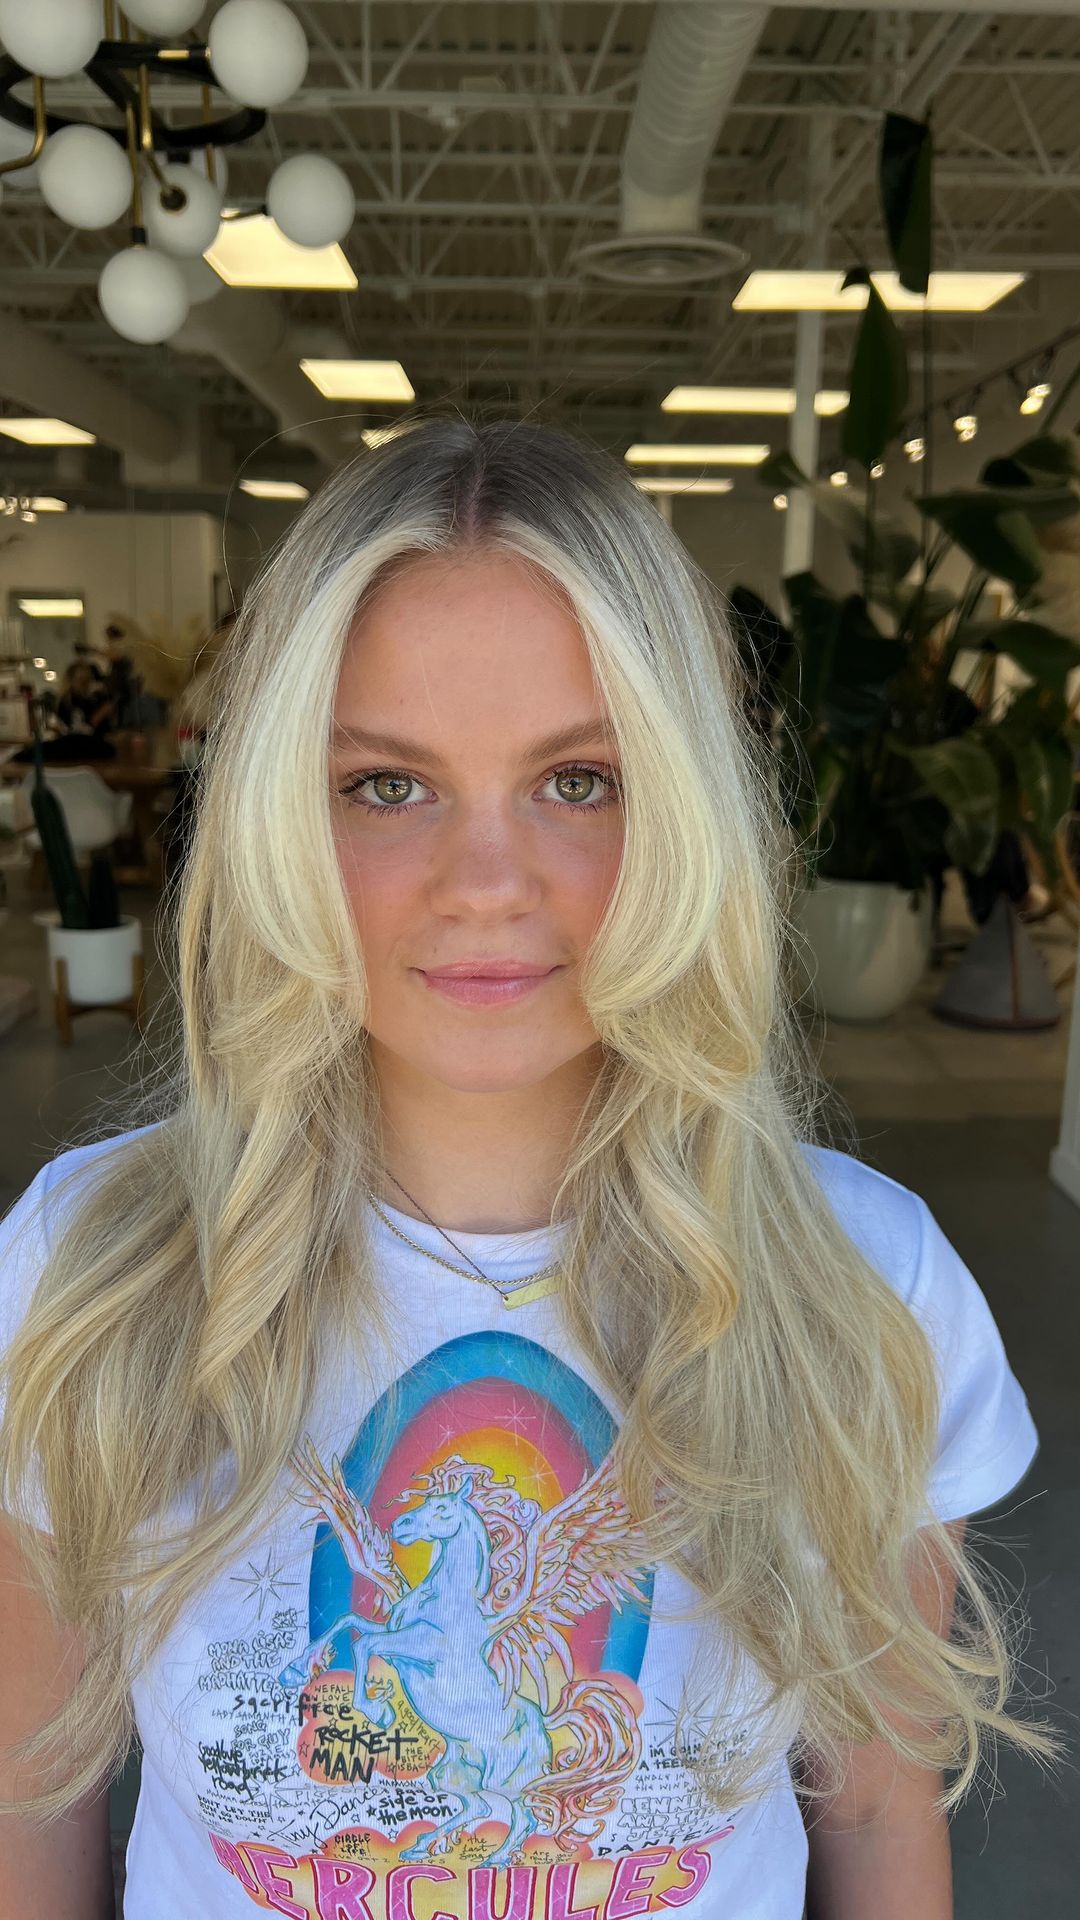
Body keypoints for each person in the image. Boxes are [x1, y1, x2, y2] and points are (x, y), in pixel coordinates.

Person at [0, 418, 1063, 1920]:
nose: (487, 885)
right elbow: (30, 1801)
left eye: (580, 780)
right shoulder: (86, 1267)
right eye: (387, 785)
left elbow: (881, 1823)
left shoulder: (866, 1288)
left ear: (686, 807)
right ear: (279, 817)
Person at [54, 660, 117, 739]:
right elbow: (77, 732)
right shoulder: (68, 703)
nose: (87, 684)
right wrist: (99, 716)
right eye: (82, 681)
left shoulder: (93, 699)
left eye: (89, 680)